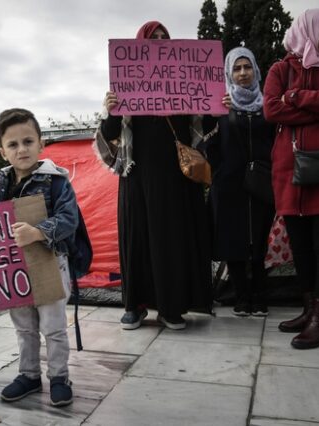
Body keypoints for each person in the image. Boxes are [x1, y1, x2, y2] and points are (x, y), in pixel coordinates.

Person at [94, 21, 213, 331]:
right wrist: (111, 110)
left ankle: (171, 308)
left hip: (176, 179)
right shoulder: (127, 88)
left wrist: (217, 103)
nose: (160, 42)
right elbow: (109, 135)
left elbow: (201, 121)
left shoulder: (183, 82)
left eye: (164, 37)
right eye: (153, 38)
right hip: (137, 178)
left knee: (171, 241)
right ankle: (134, 306)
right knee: (138, 240)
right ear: (140, 45)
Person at [263, 9, 319, 349]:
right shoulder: (280, 68)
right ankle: (308, 309)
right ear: (308, 29)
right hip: (290, 173)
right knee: (301, 247)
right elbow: (271, 109)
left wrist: (296, 97)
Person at [0, 108, 77, 407]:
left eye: (28, 141)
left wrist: (39, 232)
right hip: (16, 268)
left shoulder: (56, 181)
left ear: (41, 144)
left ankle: (59, 376)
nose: (22, 149)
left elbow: (69, 220)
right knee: (24, 326)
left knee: (53, 326)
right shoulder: (0, 183)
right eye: (13, 145)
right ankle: (28, 375)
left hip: (51, 262)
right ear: (3, 152)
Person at [207, 47, 275, 317]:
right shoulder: (220, 107)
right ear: (229, 73)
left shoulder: (268, 105)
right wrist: (219, 173)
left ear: (256, 69)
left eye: (247, 67)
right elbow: (210, 144)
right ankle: (242, 296)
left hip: (261, 184)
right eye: (237, 68)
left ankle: (259, 295)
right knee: (233, 241)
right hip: (229, 184)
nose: (243, 73)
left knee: (259, 241)